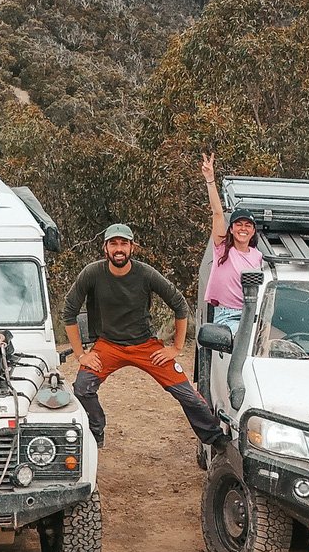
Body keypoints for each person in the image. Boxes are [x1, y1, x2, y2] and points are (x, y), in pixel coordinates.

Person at [63, 223, 226, 452]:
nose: (118, 249)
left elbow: (179, 305)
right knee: (82, 388)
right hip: (108, 345)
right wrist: (81, 355)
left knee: (187, 394)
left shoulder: (145, 273)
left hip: (145, 345)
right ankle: (95, 432)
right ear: (105, 248)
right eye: (114, 243)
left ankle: (216, 438)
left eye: (123, 244)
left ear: (132, 248)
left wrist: (175, 348)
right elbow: (69, 311)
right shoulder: (92, 273)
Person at [201, 152, 262, 329]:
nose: (243, 228)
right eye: (239, 224)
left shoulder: (258, 257)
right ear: (231, 229)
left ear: (253, 231)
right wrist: (210, 180)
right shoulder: (222, 248)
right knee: (243, 343)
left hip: (251, 315)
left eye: (248, 225)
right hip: (227, 316)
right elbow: (218, 213)